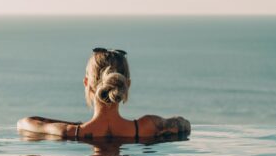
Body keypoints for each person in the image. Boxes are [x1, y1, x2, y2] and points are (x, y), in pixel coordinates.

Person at [16, 47, 191, 141]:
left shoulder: (68, 132)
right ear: (126, 85)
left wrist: (75, 125)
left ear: (87, 83)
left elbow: (23, 123)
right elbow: (184, 125)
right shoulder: (148, 127)